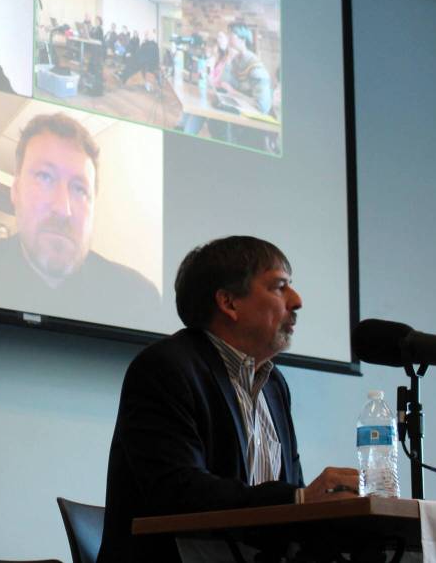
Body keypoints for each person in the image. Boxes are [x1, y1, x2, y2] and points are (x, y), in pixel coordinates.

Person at [98, 236, 360, 563]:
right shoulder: (166, 368)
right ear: (229, 303)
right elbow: (178, 492)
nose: (297, 300)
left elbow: (294, 498)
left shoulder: (274, 385)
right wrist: (300, 499)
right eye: (279, 287)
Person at [0, 113, 159, 319]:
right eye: (45, 177)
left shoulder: (137, 299)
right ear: (15, 191)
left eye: (79, 189)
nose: (63, 209)